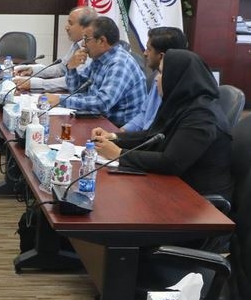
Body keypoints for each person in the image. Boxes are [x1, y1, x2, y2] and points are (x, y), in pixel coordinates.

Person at [91, 49, 233, 198]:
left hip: (198, 197)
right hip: (173, 184)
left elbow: (171, 162)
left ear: (178, 77)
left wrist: (119, 154)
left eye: (161, 73)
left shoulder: (202, 116)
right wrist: (114, 138)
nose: (157, 79)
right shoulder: (181, 102)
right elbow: (153, 136)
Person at [44, 16, 146, 127]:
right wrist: (71, 68)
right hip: (99, 121)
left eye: (86, 39)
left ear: (102, 41)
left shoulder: (120, 64)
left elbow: (102, 104)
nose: (83, 45)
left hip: (118, 129)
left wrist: (60, 100)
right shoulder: (100, 58)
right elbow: (77, 89)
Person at [119, 26, 188, 132]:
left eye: (149, 49)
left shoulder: (180, 87)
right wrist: (119, 133)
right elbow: (144, 115)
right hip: (143, 137)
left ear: (162, 56)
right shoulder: (158, 77)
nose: (145, 53)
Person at [14, 6, 98, 91]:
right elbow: (61, 69)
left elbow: (73, 81)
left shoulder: (92, 49)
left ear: (85, 27)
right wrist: (33, 70)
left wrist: (33, 83)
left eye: (71, 23)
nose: (66, 27)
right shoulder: (76, 44)